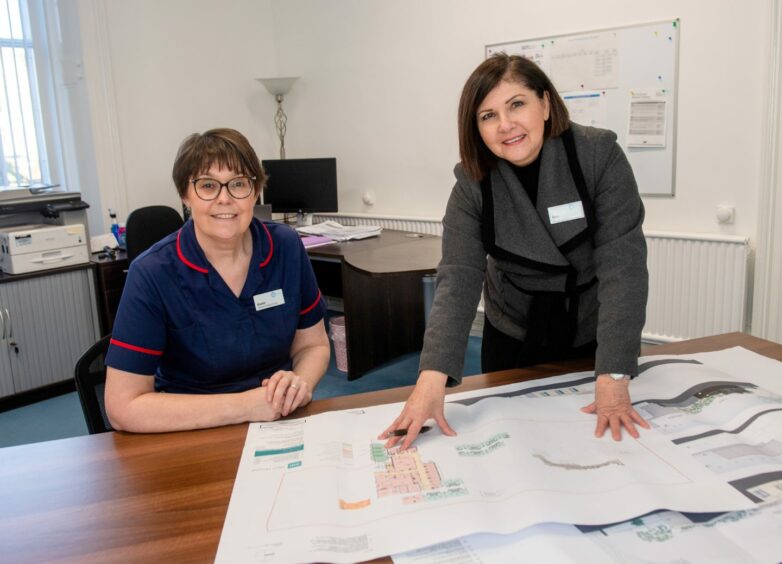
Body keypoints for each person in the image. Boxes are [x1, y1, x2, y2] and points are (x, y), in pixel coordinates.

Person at [381, 54, 649, 448]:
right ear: (476, 128)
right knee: (516, 444)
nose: (505, 125)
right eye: (487, 116)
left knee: (598, 445)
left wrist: (613, 375)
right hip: (514, 329)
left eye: (516, 104)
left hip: (593, 329)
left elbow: (622, 269)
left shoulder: (598, 155)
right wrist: (430, 378)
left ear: (545, 103)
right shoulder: (473, 184)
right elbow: (459, 277)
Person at [104, 128, 330, 432]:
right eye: (208, 186)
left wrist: (299, 382)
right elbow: (122, 407)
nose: (225, 199)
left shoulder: (286, 247)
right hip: (191, 428)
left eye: (238, 184)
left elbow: (313, 345)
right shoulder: (153, 272)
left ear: (255, 191)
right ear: (185, 196)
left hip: (279, 420)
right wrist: (248, 405)